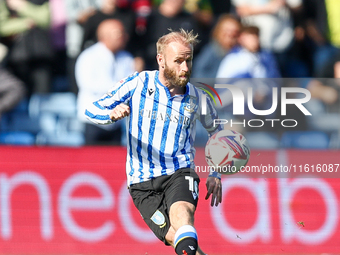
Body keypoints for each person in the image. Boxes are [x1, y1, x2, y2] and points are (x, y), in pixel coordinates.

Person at [85, 29, 223, 255]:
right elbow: (91, 109)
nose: (185, 68)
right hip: (141, 182)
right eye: (178, 61)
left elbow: (217, 132)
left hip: (179, 171)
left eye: (188, 60)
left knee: (183, 218)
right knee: (177, 239)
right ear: (161, 59)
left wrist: (215, 173)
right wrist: (110, 115)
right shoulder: (138, 83)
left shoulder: (197, 97)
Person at [75, 19, 135, 145]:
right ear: (105, 36)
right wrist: (120, 88)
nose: (124, 37)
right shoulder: (89, 56)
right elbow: (88, 85)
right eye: (119, 33)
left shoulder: (126, 58)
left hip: (116, 122)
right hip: (93, 120)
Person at [192, 14, 241, 78]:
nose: (230, 34)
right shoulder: (211, 51)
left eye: (235, 32)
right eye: (226, 31)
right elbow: (198, 74)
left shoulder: (241, 53)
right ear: (219, 31)